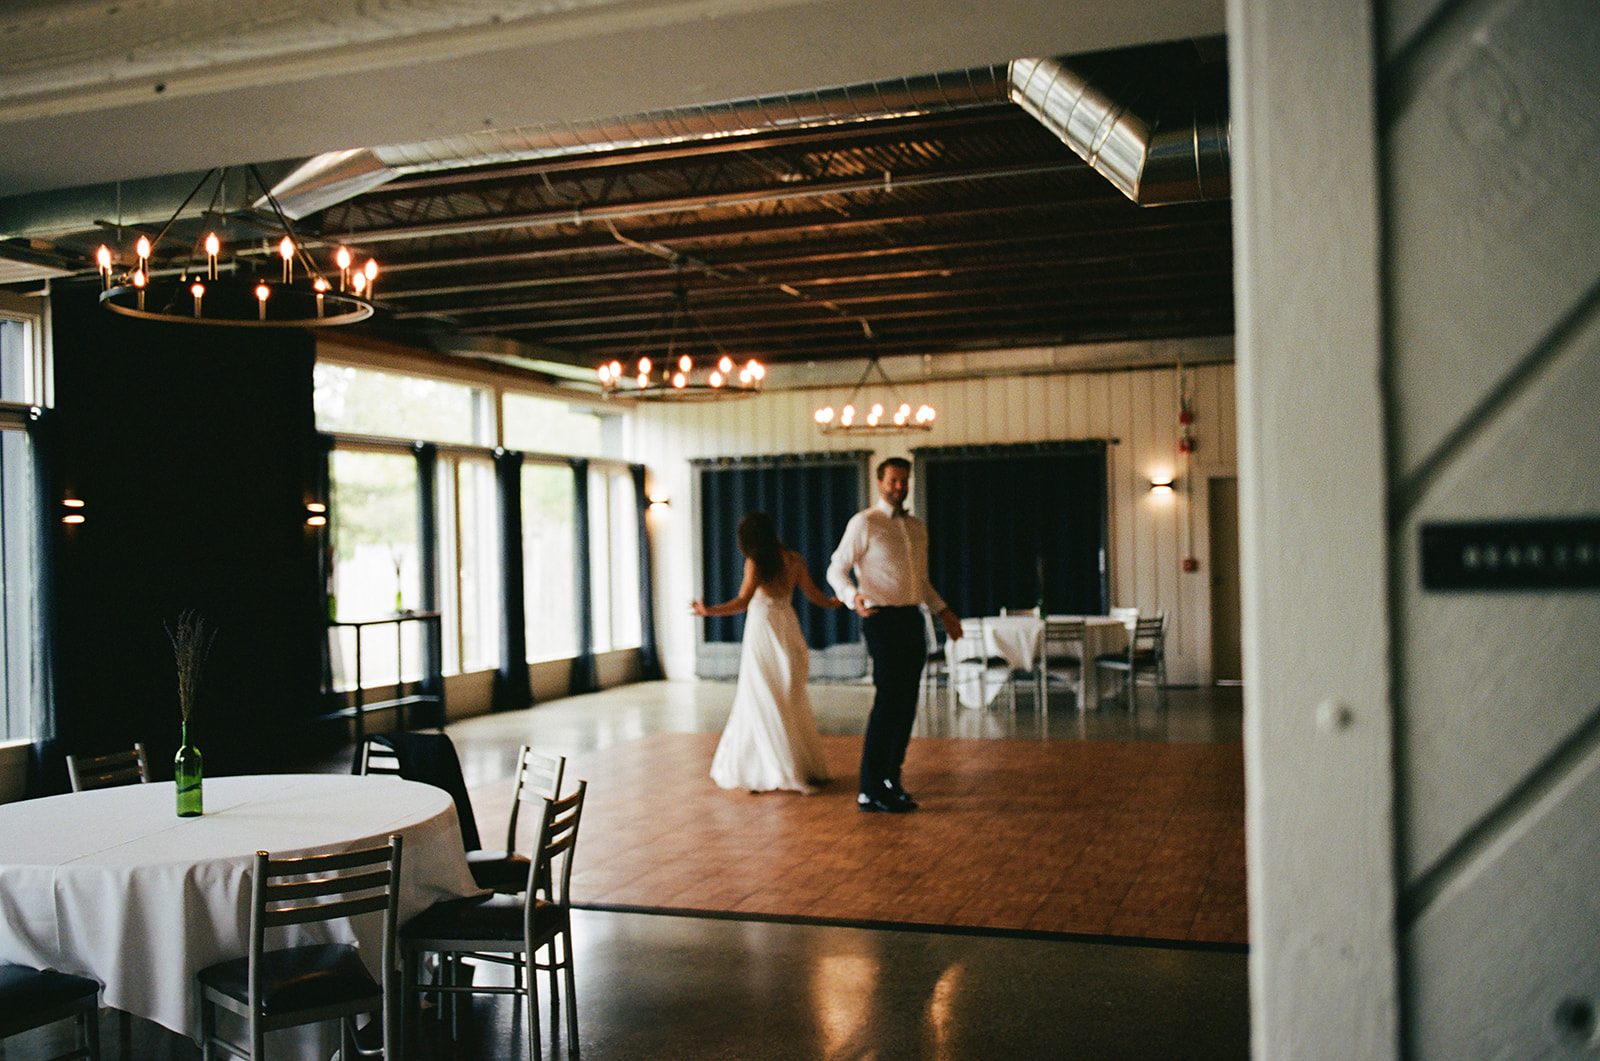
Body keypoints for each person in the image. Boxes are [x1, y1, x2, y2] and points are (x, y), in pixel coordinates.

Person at [828, 457, 962, 813]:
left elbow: (920, 582)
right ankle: (869, 788)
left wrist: (944, 611)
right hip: (879, 617)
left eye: (904, 481)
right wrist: (850, 596)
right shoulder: (865, 523)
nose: (899, 487)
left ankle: (892, 780)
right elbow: (836, 567)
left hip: (911, 619)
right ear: (880, 482)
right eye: (892, 481)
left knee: (907, 704)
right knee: (888, 702)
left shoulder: (917, 527)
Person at [694, 512, 842, 794]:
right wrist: (836, 601)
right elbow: (815, 596)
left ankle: (772, 767)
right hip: (787, 626)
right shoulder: (794, 559)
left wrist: (708, 611)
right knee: (789, 696)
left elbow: (742, 602)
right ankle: (802, 766)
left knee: (761, 694)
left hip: (763, 630)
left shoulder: (756, 563)